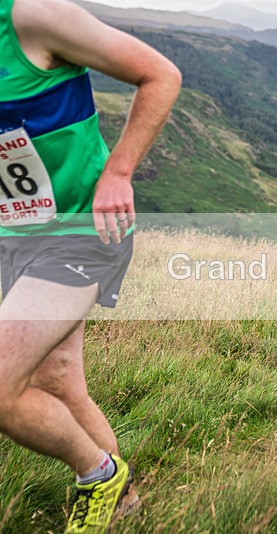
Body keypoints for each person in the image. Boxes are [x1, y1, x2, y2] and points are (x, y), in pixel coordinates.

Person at [0, 0, 181, 531]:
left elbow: (161, 75)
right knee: (58, 383)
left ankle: (97, 475)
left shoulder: (33, 17)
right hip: (15, 237)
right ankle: (123, 505)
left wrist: (118, 172)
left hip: (81, 231)